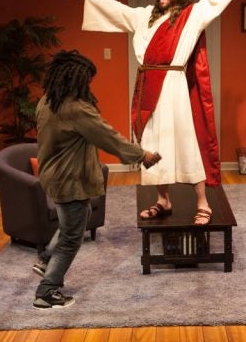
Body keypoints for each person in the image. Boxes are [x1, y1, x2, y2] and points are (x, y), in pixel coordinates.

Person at [54, 0, 237, 225]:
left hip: (175, 88)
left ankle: (203, 202)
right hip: (148, 89)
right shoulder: (145, 16)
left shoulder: (192, 15)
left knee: (186, 141)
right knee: (153, 144)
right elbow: (118, 9)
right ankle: (163, 199)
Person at [32, 50, 159, 309]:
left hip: (54, 176)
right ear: (75, 79)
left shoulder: (47, 101)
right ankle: (46, 292)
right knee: (71, 237)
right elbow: (107, 136)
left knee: (79, 217)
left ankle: (45, 259)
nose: (87, 85)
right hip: (70, 181)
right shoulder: (76, 109)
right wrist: (141, 155)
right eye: (86, 79)